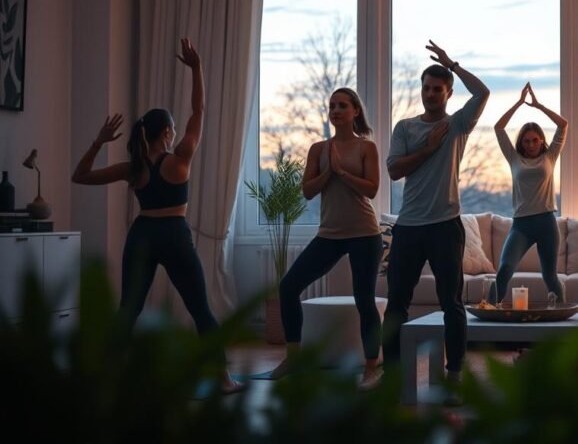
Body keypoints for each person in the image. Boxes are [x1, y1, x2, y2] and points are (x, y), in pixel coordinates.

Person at [71, 38, 241, 393]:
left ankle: (105, 379)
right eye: (173, 129)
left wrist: (99, 141)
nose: (176, 133)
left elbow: (80, 176)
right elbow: (199, 110)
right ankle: (223, 379)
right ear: (166, 133)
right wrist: (196, 68)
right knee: (201, 309)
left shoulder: (132, 168)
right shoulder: (179, 159)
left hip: (142, 235)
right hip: (174, 235)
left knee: (128, 310)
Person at [381, 40, 489, 387]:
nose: (430, 94)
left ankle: (454, 374)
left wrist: (452, 63)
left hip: (445, 226)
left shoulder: (458, 125)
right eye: (426, 88)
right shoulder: (406, 127)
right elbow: (394, 171)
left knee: (451, 304)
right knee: (397, 303)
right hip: (409, 227)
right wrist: (427, 149)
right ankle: (391, 374)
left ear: (448, 93)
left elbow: (483, 92)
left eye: (437, 89)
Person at [270, 88, 383, 384]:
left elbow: (372, 189)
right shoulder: (318, 149)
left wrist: (342, 173)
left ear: (355, 111)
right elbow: (308, 191)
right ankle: (293, 359)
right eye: (332, 106)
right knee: (288, 287)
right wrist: (328, 172)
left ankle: (371, 368)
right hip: (330, 234)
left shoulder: (366, 147)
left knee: (364, 300)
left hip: (364, 233)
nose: (335, 111)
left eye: (342, 106)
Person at [490, 83, 567, 306]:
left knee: (549, 276)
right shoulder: (514, 158)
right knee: (505, 269)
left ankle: (563, 319)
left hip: (546, 223)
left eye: (535, 140)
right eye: (526, 141)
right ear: (521, 143)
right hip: (521, 225)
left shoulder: (550, 156)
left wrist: (538, 106)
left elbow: (563, 125)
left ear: (541, 140)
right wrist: (519, 103)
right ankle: (488, 313)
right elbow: (498, 128)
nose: (531, 144)